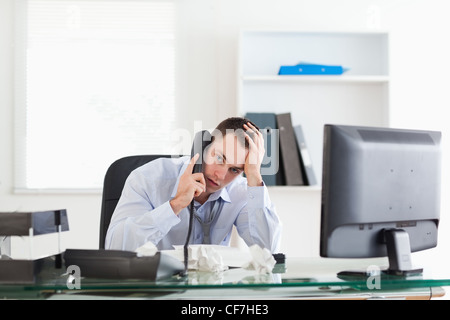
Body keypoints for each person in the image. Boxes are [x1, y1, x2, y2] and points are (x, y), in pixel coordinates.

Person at [105, 117, 282, 253]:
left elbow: (268, 251)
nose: (221, 175)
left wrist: (254, 176)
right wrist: (175, 204)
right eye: (219, 157)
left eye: (235, 170)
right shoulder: (147, 179)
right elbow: (115, 248)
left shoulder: (242, 191)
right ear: (203, 145)